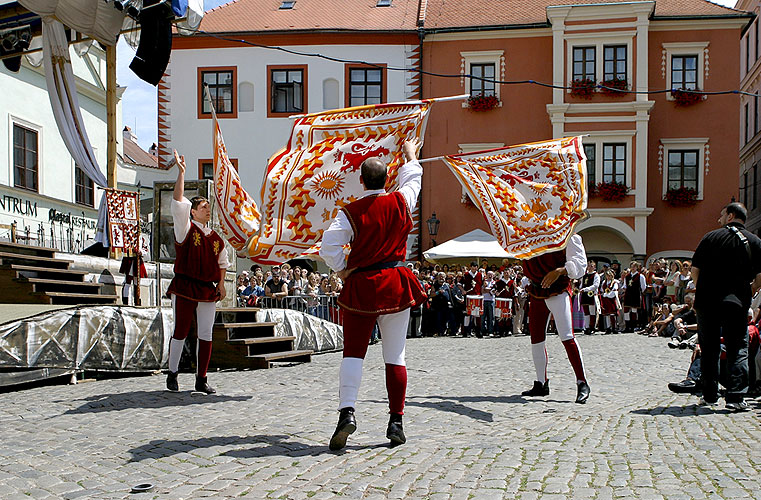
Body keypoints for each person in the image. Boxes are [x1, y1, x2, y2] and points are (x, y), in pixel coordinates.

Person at [320, 138, 426, 449]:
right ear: (385, 180)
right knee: (395, 356)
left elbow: (329, 246)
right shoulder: (400, 201)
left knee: (353, 352)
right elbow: (413, 180)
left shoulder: (350, 212)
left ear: (362, 180)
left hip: (362, 285)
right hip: (395, 280)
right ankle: (396, 420)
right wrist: (410, 155)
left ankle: (347, 414)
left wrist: (342, 268)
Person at [165, 150, 229, 394]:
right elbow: (178, 199)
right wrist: (181, 173)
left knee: (206, 333)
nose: (207, 209)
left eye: (208, 207)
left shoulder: (215, 238)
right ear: (193, 211)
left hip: (206, 288)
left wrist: (221, 285)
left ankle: (201, 378)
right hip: (184, 285)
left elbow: (222, 263)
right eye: (203, 206)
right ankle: (172, 374)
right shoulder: (185, 229)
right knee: (180, 331)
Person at [691, 202, 761, 412]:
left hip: (707, 302)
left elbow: (695, 270)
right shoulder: (755, 241)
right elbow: (759, 277)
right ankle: (736, 396)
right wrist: (749, 291)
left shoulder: (710, 237)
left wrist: (701, 289)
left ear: (730, 215)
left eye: (722, 215)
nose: (719, 219)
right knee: (737, 348)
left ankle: (709, 395)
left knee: (709, 348)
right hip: (736, 302)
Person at [520, 235, 591, 403]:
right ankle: (541, 383)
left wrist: (560, 271)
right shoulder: (527, 232)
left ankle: (582, 382)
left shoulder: (566, 233)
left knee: (567, 336)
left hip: (558, 290)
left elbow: (580, 265)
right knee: (536, 339)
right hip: (537, 291)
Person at [579, 260, 600, 335]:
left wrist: (586, 289)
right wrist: (579, 289)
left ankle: (592, 327)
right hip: (585, 295)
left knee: (592, 312)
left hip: (591, 295)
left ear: (594, 267)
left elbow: (596, 285)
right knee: (586, 312)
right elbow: (581, 284)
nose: (590, 267)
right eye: (588, 266)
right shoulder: (584, 275)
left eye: (591, 266)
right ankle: (587, 327)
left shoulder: (596, 275)